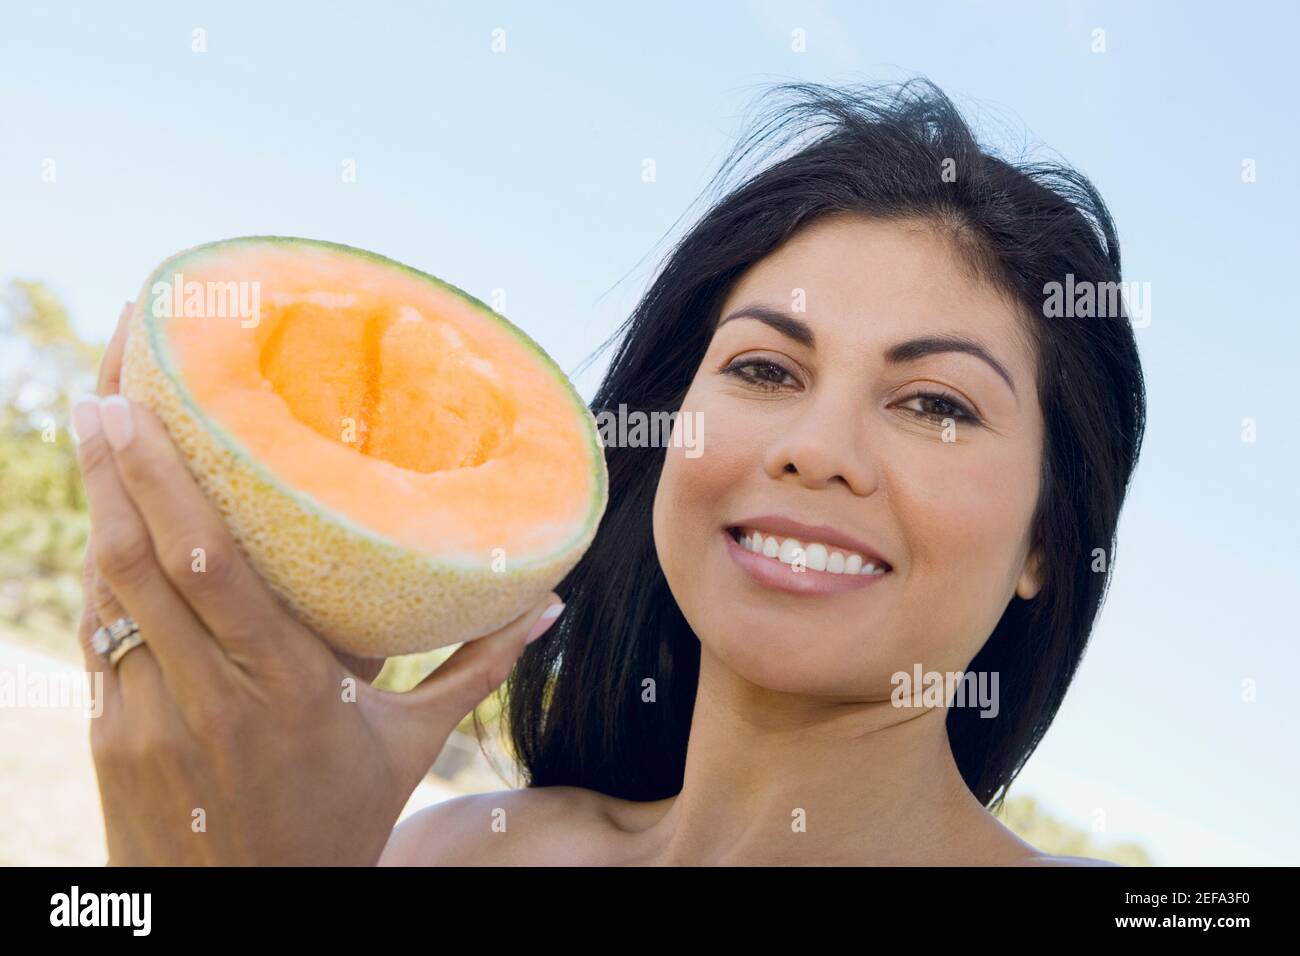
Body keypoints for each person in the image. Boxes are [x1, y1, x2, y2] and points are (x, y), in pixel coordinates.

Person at [73, 78, 1145, 866]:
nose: (813, 446)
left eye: (935, 405)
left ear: (1047, 540)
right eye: (764, 367)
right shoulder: (449, 850)